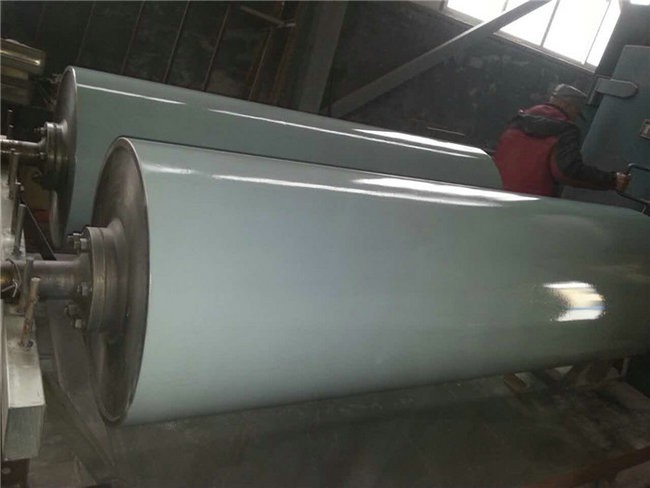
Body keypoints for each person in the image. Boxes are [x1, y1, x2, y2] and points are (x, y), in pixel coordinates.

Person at [493, 84, 630, 197]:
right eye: (577, 112)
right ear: (571, 106)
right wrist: (612, 180)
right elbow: (567, 171)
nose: (574, 117)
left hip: (496, 190)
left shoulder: (520, 118)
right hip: (532, 201)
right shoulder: (566, 130)